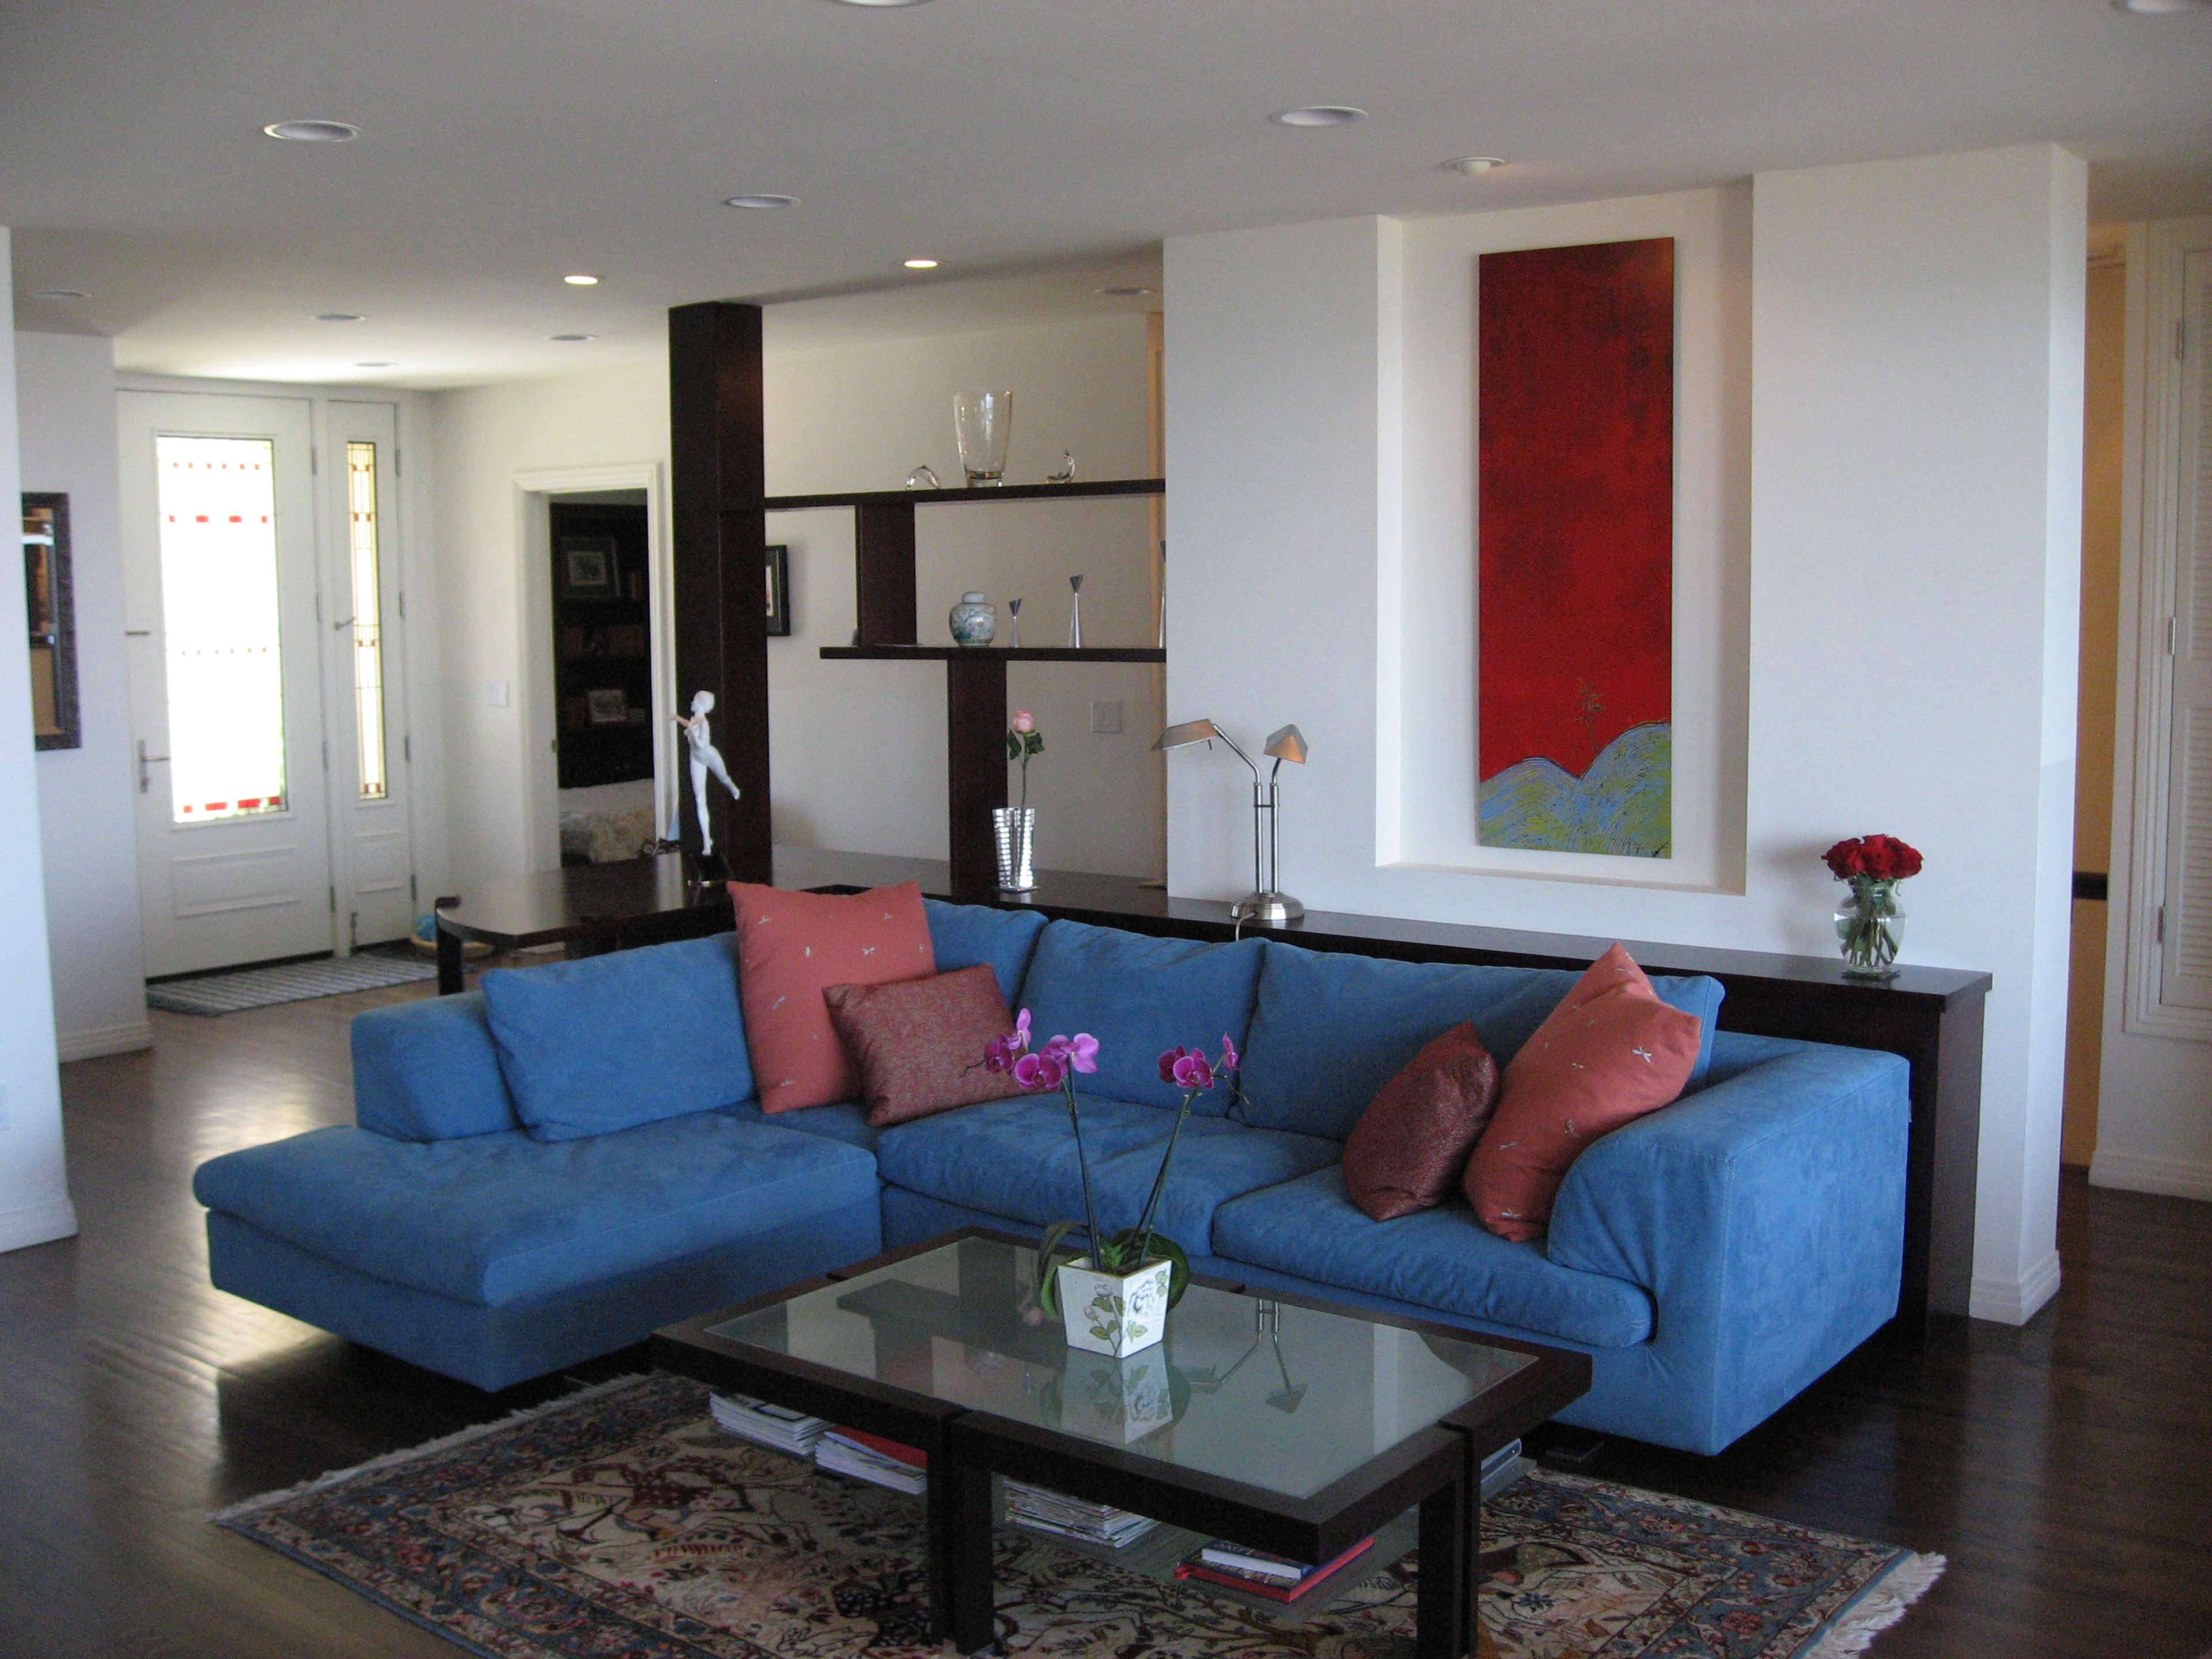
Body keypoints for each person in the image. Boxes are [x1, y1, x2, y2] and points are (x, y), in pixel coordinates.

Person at [673, 690, 741, 855]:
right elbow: (690, 726)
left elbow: (703, 745)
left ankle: (733, 787)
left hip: (708, 756)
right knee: (699, 799)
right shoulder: (694, 719)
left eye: (695, 699)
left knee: (724, 778)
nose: (692, 702)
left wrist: (692, 733)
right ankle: (706, 841)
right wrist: (677, 719)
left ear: (701, 703)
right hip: (695, 758)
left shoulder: (704, 722)